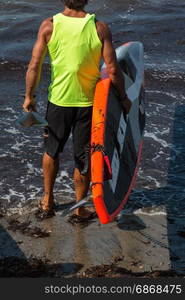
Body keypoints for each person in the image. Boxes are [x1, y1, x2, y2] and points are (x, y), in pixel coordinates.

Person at [23, 0, 131, 221]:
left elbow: (34, 65)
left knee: (52, 150)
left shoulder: (49, 26)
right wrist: (124, 98)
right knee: (83, 157)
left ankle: (47, 202)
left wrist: (29, 96)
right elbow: (112, 69)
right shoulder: (98, 27)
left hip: (58, 103)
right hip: (88, 105)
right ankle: (80, 210)